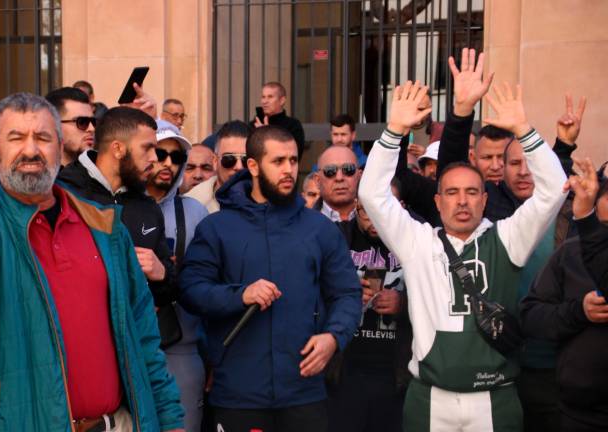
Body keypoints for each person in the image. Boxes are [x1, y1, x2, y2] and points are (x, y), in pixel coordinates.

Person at [0, 94, 184, 431]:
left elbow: (143, 339)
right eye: (16, 138)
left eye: (42, 138)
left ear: (60, 147)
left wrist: (170, 419)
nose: (31, 150)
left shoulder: (104, 228)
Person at [358, 79, 567, 431]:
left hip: (494, 398)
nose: (462, 200)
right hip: (429, 398)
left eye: (472, 192)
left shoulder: (508, 238)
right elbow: (372, 194)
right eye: (451, 192)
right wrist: (394, 130)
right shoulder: (417, 242)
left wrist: (524, 130)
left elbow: (553, 191)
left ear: (485, 200)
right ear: (437, 202)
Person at [180, 126, 361, 432]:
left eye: (293, 160)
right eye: (278, 162)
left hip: (305, 392)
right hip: (238, 395)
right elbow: (191, 290)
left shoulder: (318, 229)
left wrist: (334, 337)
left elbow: (347, 294)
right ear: (253, 166)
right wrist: (240, 295)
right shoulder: (217, 228)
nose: (289, 169)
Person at [57, 106, 179, 319]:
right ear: (118, 149)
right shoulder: (61, 193)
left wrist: (162, 274)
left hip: (136, 345)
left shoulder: (147, 206)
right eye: (147, 148)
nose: (154, 158)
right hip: (73, 339)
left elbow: (167, 293)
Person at [520, 158, 608, 432]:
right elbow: (531, 315)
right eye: (604, 226)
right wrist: (579, 312)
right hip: (578, 411)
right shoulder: (570, 253)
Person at [327, 187, 411, 432]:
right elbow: (313, 290)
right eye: (367, 212)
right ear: (355, 207)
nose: (376, 219)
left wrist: (403, 303)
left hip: (398, 373)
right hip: (345, 371)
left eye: (384, 210)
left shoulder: (417, 242)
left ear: (402, 207)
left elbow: (437, 297)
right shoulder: (337, 239)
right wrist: (345, 290)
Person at [146, 120, 209, 432]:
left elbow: (208, 283)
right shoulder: (115, 207)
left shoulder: (195, 212)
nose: (168, 163)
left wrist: (171, 273)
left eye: (176, 157)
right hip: (129, 347)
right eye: (160, 153)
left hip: (181, 347)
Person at [185, 120, 250, 213]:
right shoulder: (190, 208)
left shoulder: (271, 204)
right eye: (229, 159)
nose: (239, 167)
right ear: (215, 162)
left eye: (245, 160)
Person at [250, 81, 306, 160]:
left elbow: (295, 155)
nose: (265, 101)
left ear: (282, 100)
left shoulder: (293, 125)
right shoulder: (255, 124)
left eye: (270, 97)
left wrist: (266, 134)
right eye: (263, 97)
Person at [45, 87, 97, 167]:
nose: (92, 129)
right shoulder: (36, 177)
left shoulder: (100, 174)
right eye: (82, 122)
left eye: (93, 122)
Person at [315, 146, 360, 222]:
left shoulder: (378, 220)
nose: (339, 178)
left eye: (348, 169)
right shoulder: (302, 225)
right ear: (317, 180)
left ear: (359, 176)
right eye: (330, 171)